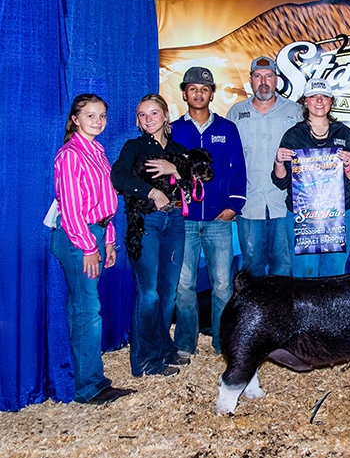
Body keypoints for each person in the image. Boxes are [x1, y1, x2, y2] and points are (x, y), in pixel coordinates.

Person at [50, 94, 136, 404]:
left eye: (101, 115)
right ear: (75, 119)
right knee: (87, 311)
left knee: (86, 309)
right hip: (78, 238)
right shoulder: (71, 154)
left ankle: (91, 381)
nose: (97, 121)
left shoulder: (97, 151)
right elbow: (71, 209)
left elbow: (104, 202)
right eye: (90, 115)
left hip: (96, 233)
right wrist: (89, 246)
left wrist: (108, 239)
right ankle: (89, 387)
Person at [111, 94, 189, 377]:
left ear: (165, 115)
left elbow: (194, 184)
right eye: (142, 115)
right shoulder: (134, 147)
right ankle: (143, 358)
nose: (148, 119)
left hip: (175, 220)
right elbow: (118, 176)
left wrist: (176, 169)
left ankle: (163, 347)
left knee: (168, 293)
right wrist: (151, 191)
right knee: (149, 293)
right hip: (146, 221)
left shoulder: (179, 149)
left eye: (153, 113)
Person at [171, 67, 247, 356]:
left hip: (219, 220)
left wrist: (233, 206)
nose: (198, 93)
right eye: (192, 88)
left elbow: (239, 169)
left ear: (212, 93)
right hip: (185, 221)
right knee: (185, 285)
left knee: (223, 286)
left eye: (204, 89)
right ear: (184, 93)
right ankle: (185, 344)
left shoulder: (227, 129)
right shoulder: (175, 130)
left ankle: (222, 341)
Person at [272, 78, 350, 277]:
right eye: (313, 96)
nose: (319, 101)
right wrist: (278, 161)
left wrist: (348, 166)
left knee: (335, 275)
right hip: (303, 217)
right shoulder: (293, 135)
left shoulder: (345, 134)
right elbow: (281, 182)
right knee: (305, 276)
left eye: (324, 96)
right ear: (305, 101)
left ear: (331, 101)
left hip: (337, 216)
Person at [227, 57, 302, 277]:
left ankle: (281, 313)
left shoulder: (295, 112)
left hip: (284, 203)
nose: (263, 81)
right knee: (252, 268)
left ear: (276, 80)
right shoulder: (235, 112)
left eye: (268, 76)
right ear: (250, 81)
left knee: (284, 266)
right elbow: (227, 161)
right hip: (249, 204)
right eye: (258, 76)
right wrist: (229, 200)